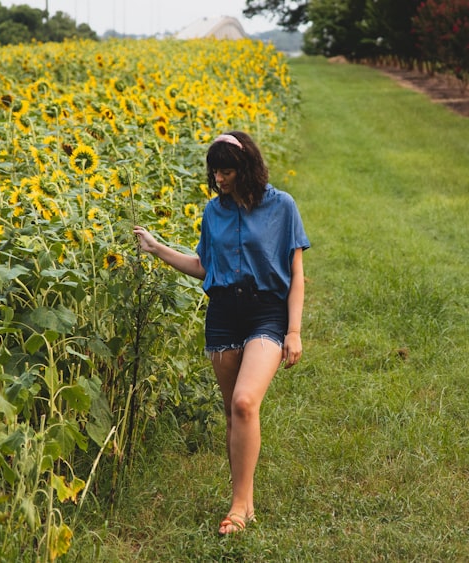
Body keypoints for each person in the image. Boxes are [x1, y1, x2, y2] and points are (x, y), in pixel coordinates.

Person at [133, 130, 310, 535]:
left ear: (246, 168)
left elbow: (296, 273)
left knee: (247, 403)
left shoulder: (283, 207)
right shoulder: (214, 212)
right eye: (215, 172)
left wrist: (294, 331)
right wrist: (158, 249)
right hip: (224, 315)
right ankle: (243, 503)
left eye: (226, 171)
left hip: (267, 313)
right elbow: (204, 266)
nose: (219, 180)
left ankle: (237, 507)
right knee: (233, 413)